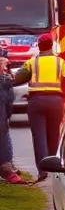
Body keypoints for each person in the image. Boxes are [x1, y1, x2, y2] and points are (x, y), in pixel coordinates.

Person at [10, 34, 65, 181]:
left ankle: (42, 171)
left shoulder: (32, 62)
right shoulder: (60, 62)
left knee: (39, 136)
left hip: (36, 102)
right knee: (54, 135)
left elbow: (18, 78)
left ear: (39, 46)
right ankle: (55, 168)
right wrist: (63, 98)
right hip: (55, 101)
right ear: (51, 45)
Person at [0, 49, 23, 184]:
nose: (6, 67)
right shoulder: (5, 82)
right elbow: (8, 102)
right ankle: (7, 169)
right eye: (4, 64)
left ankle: (8, 167)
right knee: (4, 142)